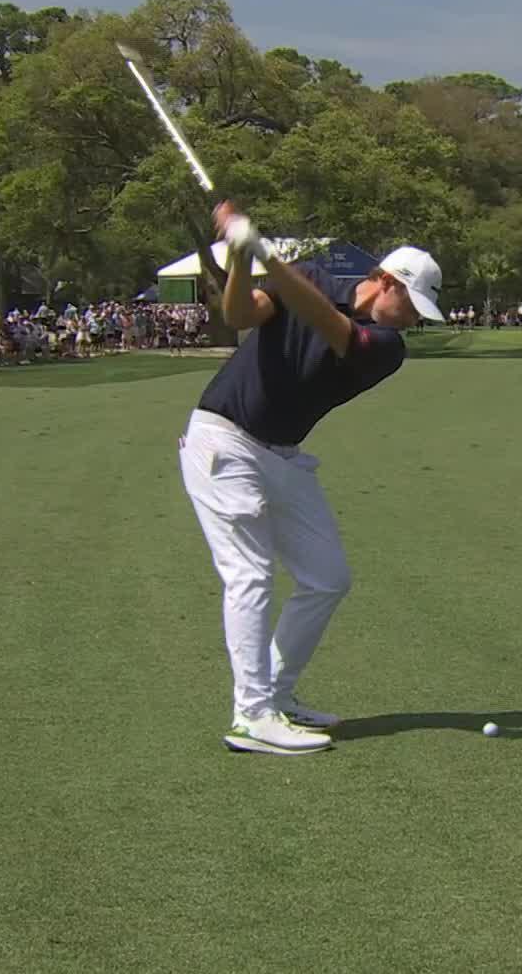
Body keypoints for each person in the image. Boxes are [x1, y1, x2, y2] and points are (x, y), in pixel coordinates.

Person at [177, 200, 443, 756]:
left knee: (328, 576)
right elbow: (242, 316)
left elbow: (327, 323)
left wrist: (267, 255)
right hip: (224, 438)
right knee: (249, 575)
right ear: (385, 281)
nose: (415, 318)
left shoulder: (388, 349)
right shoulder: (313, 277)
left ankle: (275, 692)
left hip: (281, 455)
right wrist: (243, 257)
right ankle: (252, 716)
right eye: (413, 303)